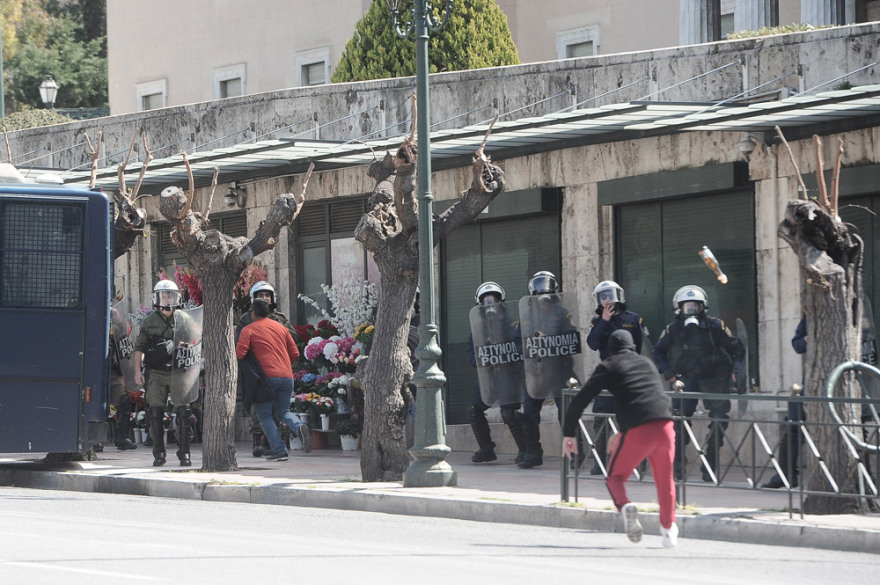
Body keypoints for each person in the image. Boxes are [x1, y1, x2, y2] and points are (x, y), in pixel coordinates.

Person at [562, 329, 678, 547]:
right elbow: (647, 397)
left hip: (638, 431)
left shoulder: (609, 365)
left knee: (615, 478)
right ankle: (669, 530)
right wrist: (623, 431)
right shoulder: (647, 363)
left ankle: (625, 506)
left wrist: (568, 433)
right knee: (665, 481)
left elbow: (580, 399)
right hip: (665, 425)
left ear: (610, 349)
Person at [652, 285, 745, 482]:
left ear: (703, 307)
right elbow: (658, 351)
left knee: (720, 418)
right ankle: (678, 465)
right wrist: (667, 371)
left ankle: (709, 464)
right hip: (689, 374)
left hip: (716, 375)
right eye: (687, 307)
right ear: (679, 308)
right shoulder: (674, 329)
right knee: (679, 418)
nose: (691, 310)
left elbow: (737, 349)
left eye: (695, 306)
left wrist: (736, 370)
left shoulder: (715, 326)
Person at [236, 299, 312, 461]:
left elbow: (240, 353)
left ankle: (280, 450)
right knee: (283, 412)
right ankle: (299, 426)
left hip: (266, 380)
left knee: (264, 416)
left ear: (253, 313)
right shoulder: (281, 328)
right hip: (287, 377)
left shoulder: (248, 330)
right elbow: (295, 353)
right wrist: (283, 366)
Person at [133, 280, 198, 467]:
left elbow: (196, 341)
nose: (167, 298)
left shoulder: (184, 318)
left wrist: (185, 347)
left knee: (184, 412)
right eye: (164, 295)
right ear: (157, 297)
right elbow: (139, 347)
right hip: (157, 372)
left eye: (170, 295)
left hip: (179, 371)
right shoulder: (150, 321)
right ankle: (158, 452)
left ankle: (184, 452)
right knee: (155, 412)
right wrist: (138, 371)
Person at [586, 280, 647, 475]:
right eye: (603, 297)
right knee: (601, 419)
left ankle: (636, 462)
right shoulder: (596, 322)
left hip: (629, 373)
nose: (607, 300)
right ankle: (600, 462)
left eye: (609, 295)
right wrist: (604, 320)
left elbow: (643, 346)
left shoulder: (633, 319)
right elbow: (593, 344)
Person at [519, 271, 580, 469]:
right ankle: (533, 453)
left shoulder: (562, 312)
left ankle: (574, 455)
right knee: (529, 413)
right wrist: (532, 341)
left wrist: (551, 339)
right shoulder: (527, 315)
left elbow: (572, 338)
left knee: (566, 414)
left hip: (561, 370)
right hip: (536, 371)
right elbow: (517, 344)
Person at [466, 281, 527, 464]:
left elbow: (518, 347)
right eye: (486, 300)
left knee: (508, 413)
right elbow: (471, 352)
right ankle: (486, 449)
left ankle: (525, 450)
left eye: (493, 299)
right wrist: (480, 361)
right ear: (480, 304)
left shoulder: (512, 325)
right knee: (474, 408)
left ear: (500, 301)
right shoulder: (478, 329)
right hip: (489, 378)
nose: (490, 303)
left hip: (509, 376)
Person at [236, 281, 295, 457]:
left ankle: (272, 442)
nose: (264, 298)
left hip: (277, 368)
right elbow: (239, 343)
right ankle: (257, 440)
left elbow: (294, 336)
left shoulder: (280, 319)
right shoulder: (247, 318)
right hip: (255, 369)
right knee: (258, 406)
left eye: (267, 295)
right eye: (260, 296)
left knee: (277, 409)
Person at [108, 308, 138, 451]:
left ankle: (123, 438)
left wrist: (117, 317)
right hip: (95, 373)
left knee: (123, 401)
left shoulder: (116, 328)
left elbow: (125, 341)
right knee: (93, 404)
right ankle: (93, 440)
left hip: (113, 373)